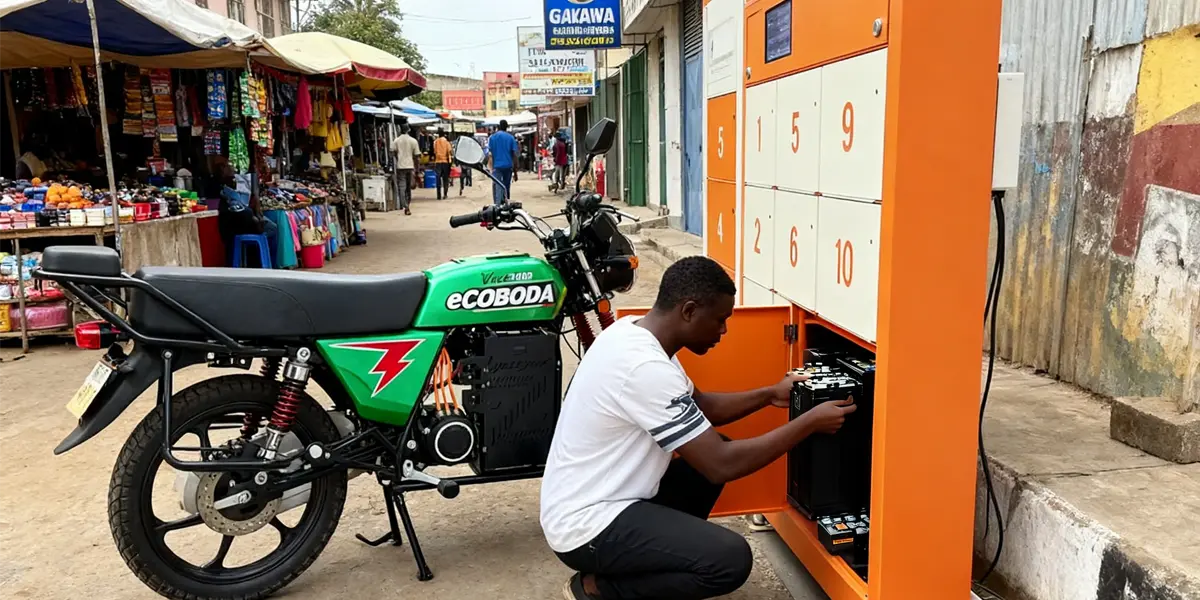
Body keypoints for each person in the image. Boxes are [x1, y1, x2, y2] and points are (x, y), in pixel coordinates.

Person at [540, 256, 857, 600]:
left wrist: (770, 394)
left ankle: (641, 563)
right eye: (720, 320)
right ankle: (598, 588)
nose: (723, 330)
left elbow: (701, 406)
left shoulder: (636, 333)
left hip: (600, 500)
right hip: (586, 526)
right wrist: (808, 422)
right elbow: (722, 463)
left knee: (702, 461)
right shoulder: (643, 366)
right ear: (689, 311)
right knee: (728, 560)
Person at [486, 119, 519, 205]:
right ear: (507, 127)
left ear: (498, 127)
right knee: (506, 187)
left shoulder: (492, 138)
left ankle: (497, 206)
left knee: (497, 186)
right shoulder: (511, 138)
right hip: (508, 166)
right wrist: (515, 171)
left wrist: (491, 168)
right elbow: (514, 155)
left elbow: (490, 154)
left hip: (496, 167)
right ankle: (506, 204)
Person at [390, 124, 421, 215]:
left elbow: (391, 152)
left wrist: (397, 157)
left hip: (400, 166)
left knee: (402, 187)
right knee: (408, 187)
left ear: (400, 130)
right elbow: (417, 156)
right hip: (410, 166)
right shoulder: (413, 141)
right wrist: (417, 169)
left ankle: (405, 205)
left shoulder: (396, 140)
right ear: (408, 130)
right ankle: (407, 205)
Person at [433, 129, 453, 200]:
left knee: (438, 179)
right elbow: (449, 152)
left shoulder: (435, 142)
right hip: (445, 162)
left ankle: (438, 195)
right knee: (445, 179)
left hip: (438, 162)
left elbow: (435, 152)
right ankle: (445, 194)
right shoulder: (447, 143)